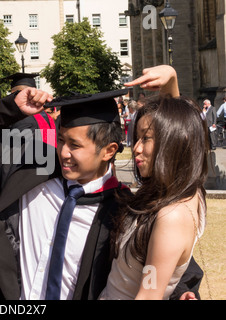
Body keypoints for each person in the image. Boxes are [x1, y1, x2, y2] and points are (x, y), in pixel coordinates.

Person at [0, 67, 202, 300]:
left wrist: (182, 292)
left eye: (75, 145)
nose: (63, 152)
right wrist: (10, 109)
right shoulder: (29, 172)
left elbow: (164, 264)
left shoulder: (127, 211)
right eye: (61, 141)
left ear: (109, 150)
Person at [99, 65, 208, 300]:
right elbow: (178, 122)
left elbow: (149, 294)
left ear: (174, 141)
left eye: (145, 139)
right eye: (136, 138)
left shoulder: (172, 216)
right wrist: (171, 77)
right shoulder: (178, 189)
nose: (136, 148)